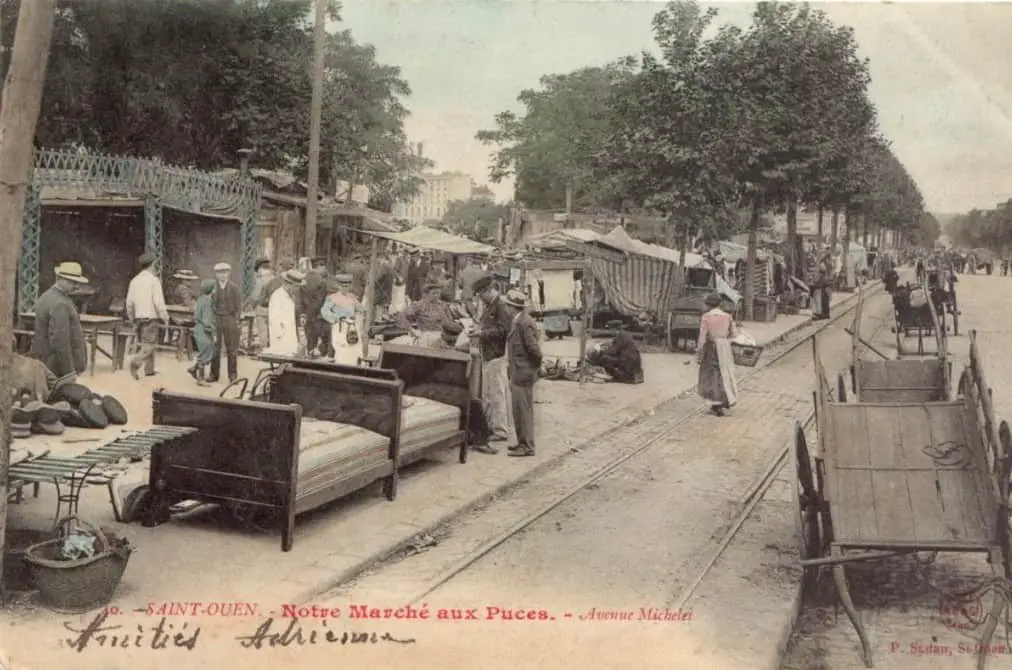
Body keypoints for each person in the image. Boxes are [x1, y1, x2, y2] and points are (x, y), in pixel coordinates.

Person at [469, 273, 513, 452]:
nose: (480, 298)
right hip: (489, 353)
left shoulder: (500, 306)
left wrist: (482, 333)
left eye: (481, 294)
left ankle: (500, 430)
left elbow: (503, 330)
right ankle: (493, 426)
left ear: (488, 291)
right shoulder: (491, 305)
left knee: (496, 394)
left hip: (497, 354)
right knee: (490, 394)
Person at [31, 261, 90, 379]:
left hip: (46, 365)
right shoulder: (60, 303)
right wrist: (69, 372)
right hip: (57, 369)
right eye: (72, 282)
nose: (76, 286)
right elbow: (60, 342)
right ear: (60, 278)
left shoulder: (46, 296)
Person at [503, 289, 542, 457]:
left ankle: (527, 446)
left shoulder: (524, 323)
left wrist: (531, 368)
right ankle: (522, 442)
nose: (505, 308)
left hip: (523, 372)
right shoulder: (518, 321)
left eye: (507, 305)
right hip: (519, 371)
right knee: (518, 410)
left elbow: (534, 350)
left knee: (523, 410)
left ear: (513, 307)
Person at [125, 252, 169, 380]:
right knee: (149, 345)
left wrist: (132, 317)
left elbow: (129, 302)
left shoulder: (134, 280)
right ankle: (135, 363)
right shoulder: (154, 281)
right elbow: (158, 302)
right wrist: (165, 316)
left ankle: (149, 370)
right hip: (151, 318)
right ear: (152, 265)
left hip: (139, 318)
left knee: (145, 343)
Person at [696, 292, 739, 417]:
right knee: (724, 372)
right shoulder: (727, 316)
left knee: (711, 374)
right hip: (724, 346)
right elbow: (734, 334)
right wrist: (725, 341)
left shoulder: (706, 317)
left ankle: (715, 403)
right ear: (720, 304)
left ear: (708, 305)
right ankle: (725, 400)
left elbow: (702, 336)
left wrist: (699, 350)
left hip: (711, 346)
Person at [209, 262, 243, 383]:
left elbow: (239, 306)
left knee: (232, 349)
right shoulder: (212, 287)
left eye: (225, 272)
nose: (222, 275)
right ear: (216, 274)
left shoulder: (234, 287)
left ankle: (232, 375)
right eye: (219, 273)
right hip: (216, 320)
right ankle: (213, 375)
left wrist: (236, 320)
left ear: (229, 273)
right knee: (215, 348)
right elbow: (209, 304)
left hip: (229, 319)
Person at [321, 273, 363, 366]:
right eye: (343, 286)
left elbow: (360, 309)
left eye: (347, 286)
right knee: (342, 349)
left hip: (352, 326)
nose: (345, 288)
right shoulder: (333, 298)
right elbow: (324, 311)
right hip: (340, 326)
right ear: (338, 286)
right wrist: (336, 318)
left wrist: (360, 308)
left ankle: (354, 366)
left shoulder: (352, 297)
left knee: (354, 349)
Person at [265, 269, 306, 356]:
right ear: (288, 284)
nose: (297, 290)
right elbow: (274, 320)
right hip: (281, 339)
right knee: (283, 361)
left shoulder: (290, 296)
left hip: (289, 337)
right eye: (296, 287)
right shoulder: (277, 297)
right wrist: (280, 338)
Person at [188, 280, 217, 385]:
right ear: (211, 290)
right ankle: (200, 379)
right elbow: (207, 320)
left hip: (198, 328)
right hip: (204, 330)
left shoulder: (200, 299)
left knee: (204, 352)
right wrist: (212, 331)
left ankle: (193, 369)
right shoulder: (207, 302)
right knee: (204, 353)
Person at [302, 258, 332, 358]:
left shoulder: (304, 278)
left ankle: (310, 361)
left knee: (310, 343)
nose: (324, 268)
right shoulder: (321, 281)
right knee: (325, 342)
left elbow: (300, 299)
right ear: (319, 266)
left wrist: (306, 314)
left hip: (308, 316)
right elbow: (319, 301)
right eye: (323, 266)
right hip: (319, 316)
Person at [251, 258, 274, 352]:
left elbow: (255, 296)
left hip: (261, 308)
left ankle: (264, 350)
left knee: (262, 331)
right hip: (273, 308)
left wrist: (254, 305)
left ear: (260, 268)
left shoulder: (260, 280)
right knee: (271, 330)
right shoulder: (274, 278)